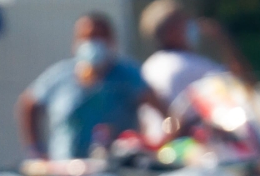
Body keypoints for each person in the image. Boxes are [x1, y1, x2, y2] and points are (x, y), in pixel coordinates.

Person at [16, 13, 166, 161]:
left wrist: (159, 143)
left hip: (114, 169)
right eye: (86, 37)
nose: (92, 43)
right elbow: (28, 104)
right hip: (64, 167)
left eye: (99, 37)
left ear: (111, 41)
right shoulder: (60, 75)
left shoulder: (128, 76)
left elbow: (161, 107)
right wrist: (36, 150)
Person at [139, 0, 257, 108]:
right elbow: (245, 83)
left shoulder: (148, 67)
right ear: (170, 32)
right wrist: (223, 39)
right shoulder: (187, 65)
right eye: (182, 21)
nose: (191, 24)